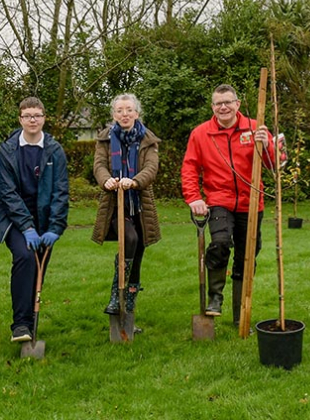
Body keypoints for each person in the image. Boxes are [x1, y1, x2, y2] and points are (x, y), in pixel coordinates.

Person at [181, 84, 273, 323]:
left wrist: (268, 145)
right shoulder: (201, 134)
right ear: (213, 107)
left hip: (251, 201)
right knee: (220, 243)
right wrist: (194, 197)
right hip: (219, 200)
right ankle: (215, 297)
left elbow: (273, 166)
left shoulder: (255, 128)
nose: (223, 107)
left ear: (237, 104)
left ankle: (240, 314)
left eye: (228, 102)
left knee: (247, 256)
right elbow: (190, 167)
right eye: (218, 103)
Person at [0, 97, 69, 343]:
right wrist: (27, 227)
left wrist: (55, 227)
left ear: (44, 118)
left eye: (37, 115)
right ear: (20, 119)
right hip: (13, 217)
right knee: (25, 257)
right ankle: (20, 325)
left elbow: (60, 191)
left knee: (39, 268)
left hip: (44, 219)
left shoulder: (55, 150)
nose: (32, 120)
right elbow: (8, 193)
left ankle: (31, 324)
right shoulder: (8, 150)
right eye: (27, 116)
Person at [92, 94, 161, 316]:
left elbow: (151, 167)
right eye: (120, 110)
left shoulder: (148, 140)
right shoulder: (104, 139)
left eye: (129, 110)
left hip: (139, 205)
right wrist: (106, 180)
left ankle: (128, 306)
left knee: (138, 252)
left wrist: (136, 180)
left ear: (136, 113)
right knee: (129, 238)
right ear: (114, 115)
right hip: (115, 205)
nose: (124, 114)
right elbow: (99, 165)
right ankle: (115, 293)